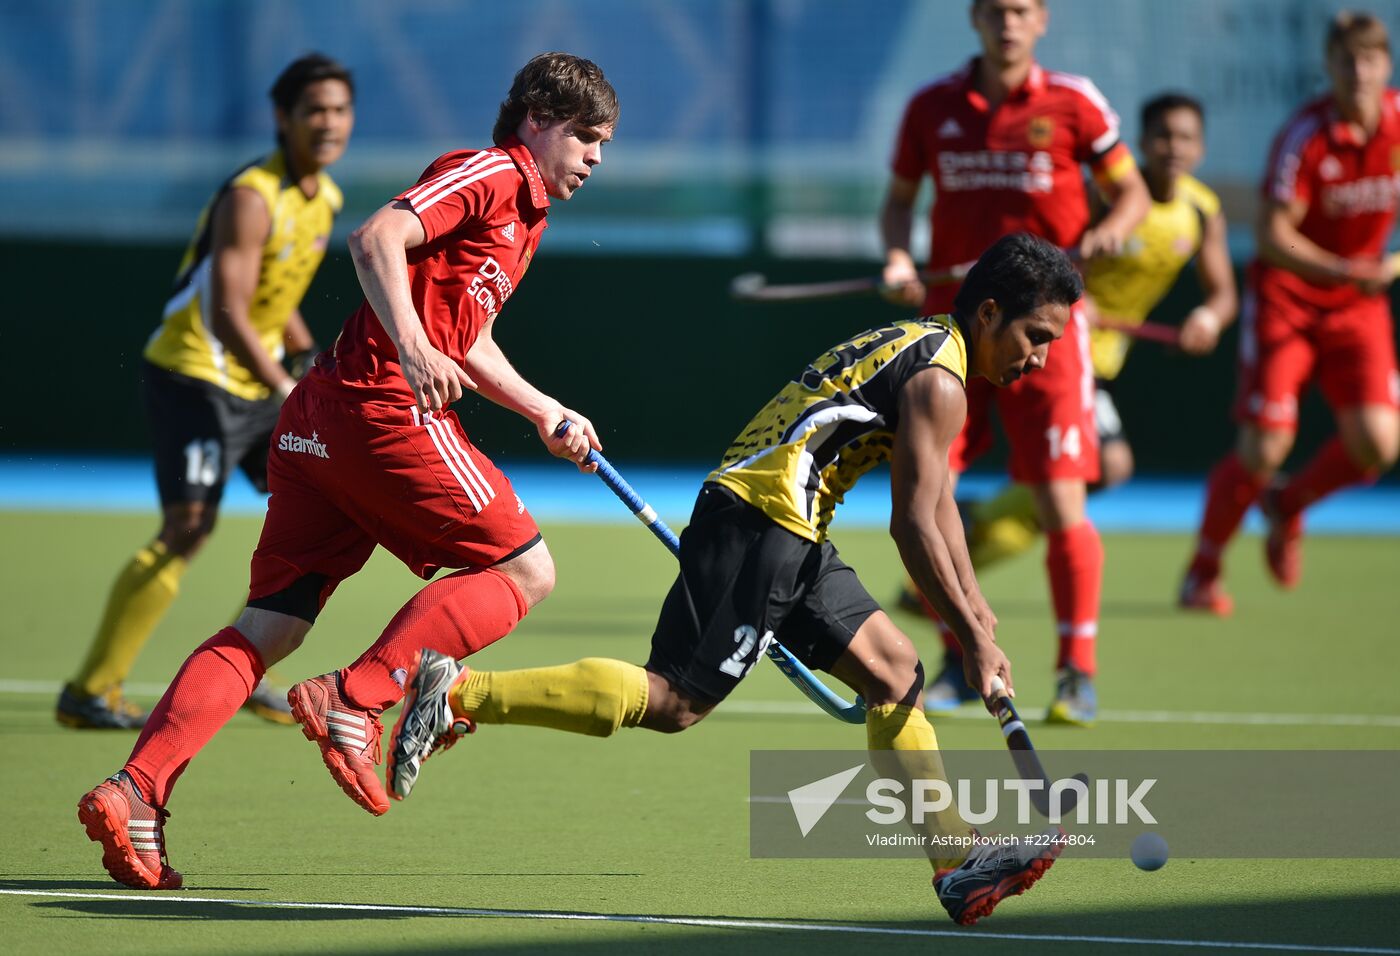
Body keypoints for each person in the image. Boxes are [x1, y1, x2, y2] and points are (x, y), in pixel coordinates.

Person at [387, 234, 1083, 927]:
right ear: (989, 313)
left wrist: (976, 611)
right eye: (1036, 336)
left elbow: (940, 513)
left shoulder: (931, 347)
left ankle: (957, 864)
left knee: (895, 671)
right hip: (764, 522)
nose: (1040, 358)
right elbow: (913, 526)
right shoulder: (939, 380)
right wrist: (968, 636)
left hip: (790, 524)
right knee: (673, 702)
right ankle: (456, 691)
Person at [77, 52, 616, 891]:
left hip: (320, 421)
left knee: (271, 625)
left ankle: (135, 793)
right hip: (380, 411)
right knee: (524, 568)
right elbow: (378, 238)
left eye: (603, 145)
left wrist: (542, 408)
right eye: (585, 136)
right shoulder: (489, 174)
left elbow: (462, 334)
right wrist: (406, 346)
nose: (593, 158)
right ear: (537, 120)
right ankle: (358, 698)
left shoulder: (526, 218)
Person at [57, 54, 355, 730]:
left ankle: (247, 665)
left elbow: (278, 301)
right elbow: (228, 311)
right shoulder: (253, 195)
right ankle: (89, 692)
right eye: (315, 110)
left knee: (318, 512)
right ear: (284, 118)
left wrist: (309, 363)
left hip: (258, 382)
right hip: (197, 374)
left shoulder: (324, 198)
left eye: (339, 110)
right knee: (188, 527)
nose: (329, 122)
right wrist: (289, 388)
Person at [878, 0, 1150, 726]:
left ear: (1043, 20)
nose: (1008, 22)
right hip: (956, 337)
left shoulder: (1074, 103)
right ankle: (958, 661)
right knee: (929, 498)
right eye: (996, 10)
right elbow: (900, 201)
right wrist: (901, 256)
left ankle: (1077, 671)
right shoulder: (931, 107)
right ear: (975, 18)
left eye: (1022, 10)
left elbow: (1133, 194)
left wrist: (1111, 232)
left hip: (1045, 338)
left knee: (1062, 502)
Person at [914, 92, 1237, 613]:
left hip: (1106, 358)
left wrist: (1208, 318)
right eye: (1162, 136)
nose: (1173, 148)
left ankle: (981, 526)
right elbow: (1046, 257)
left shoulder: (1201, 210)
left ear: (1200, 148)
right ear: (1142, 142)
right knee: (1099, 470)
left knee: (1095, 474)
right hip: (1059, 346)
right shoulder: (1097, 196)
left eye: (1186, 138)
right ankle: (962, 562)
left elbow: (1223, 295)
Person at [1180, 11, 1400, 614]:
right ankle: (1202, 572)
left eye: (1371, 60)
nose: (1359, 73)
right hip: (1290, 300)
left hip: (1358, 308)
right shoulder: (1306, 134)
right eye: (1347, 61)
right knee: (1263, 448)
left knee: (1378, 444)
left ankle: (1286, 505)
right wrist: (1344, 268)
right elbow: (1276, 234)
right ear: (1328, 67)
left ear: (1386, 65)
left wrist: (1389, 264)